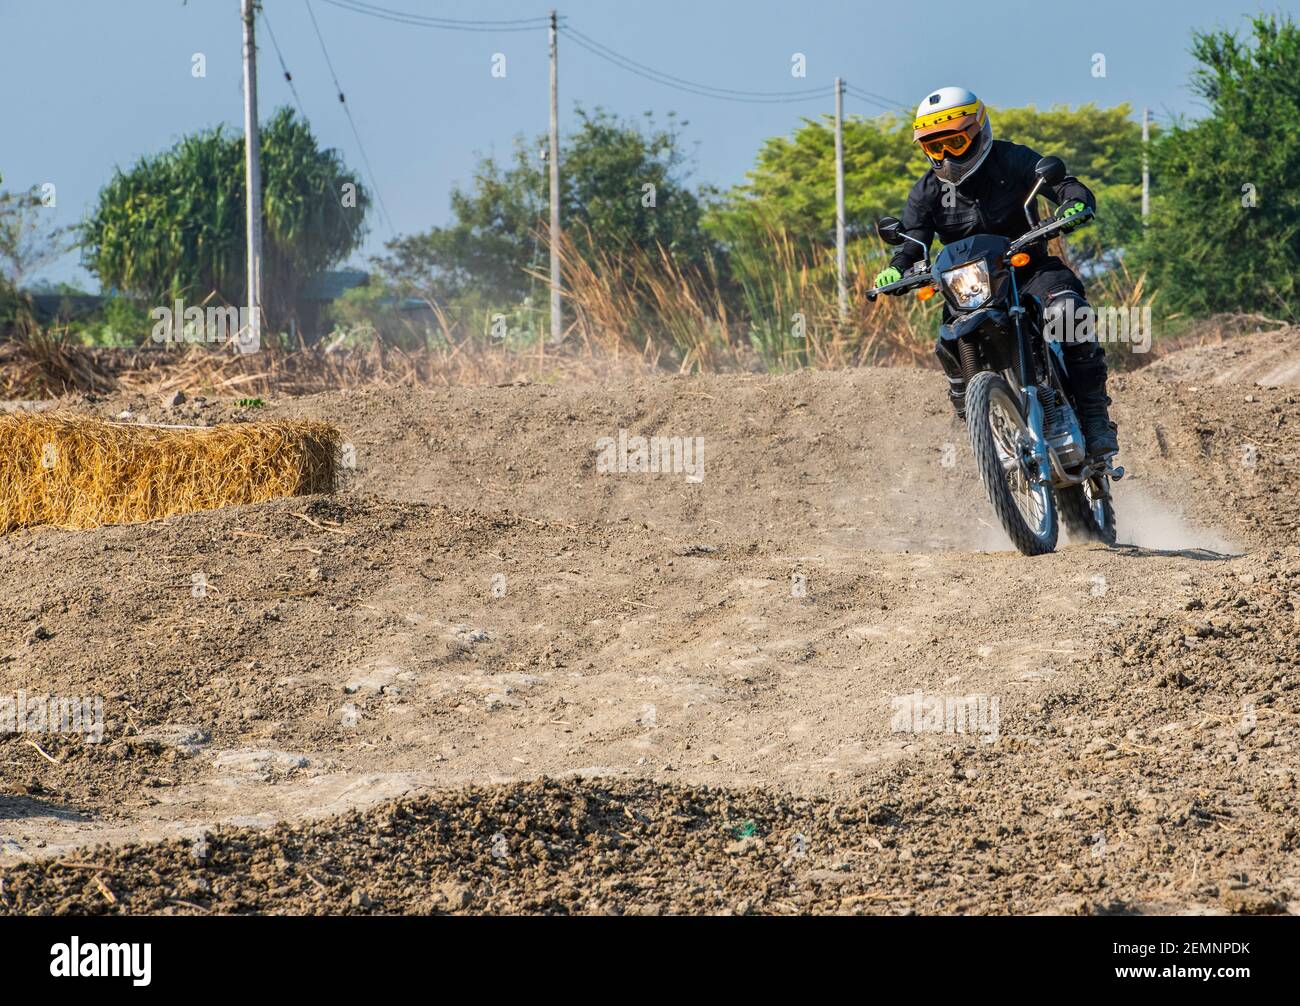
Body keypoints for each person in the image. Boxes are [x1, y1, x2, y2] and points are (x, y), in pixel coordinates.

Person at [874, 86, 1118, 458]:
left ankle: (1095, 417)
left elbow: (1063, 185)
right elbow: (912, 243)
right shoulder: (926, 192)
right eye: (933, 147)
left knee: (1068, 312)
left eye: (954, 142)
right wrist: (896, 270)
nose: (945, 156)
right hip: (967, 289)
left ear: (978, 130)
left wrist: (1073, 203)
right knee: (947, 342)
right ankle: (982, 432)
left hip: (1030, 272)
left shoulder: (1011, 159)